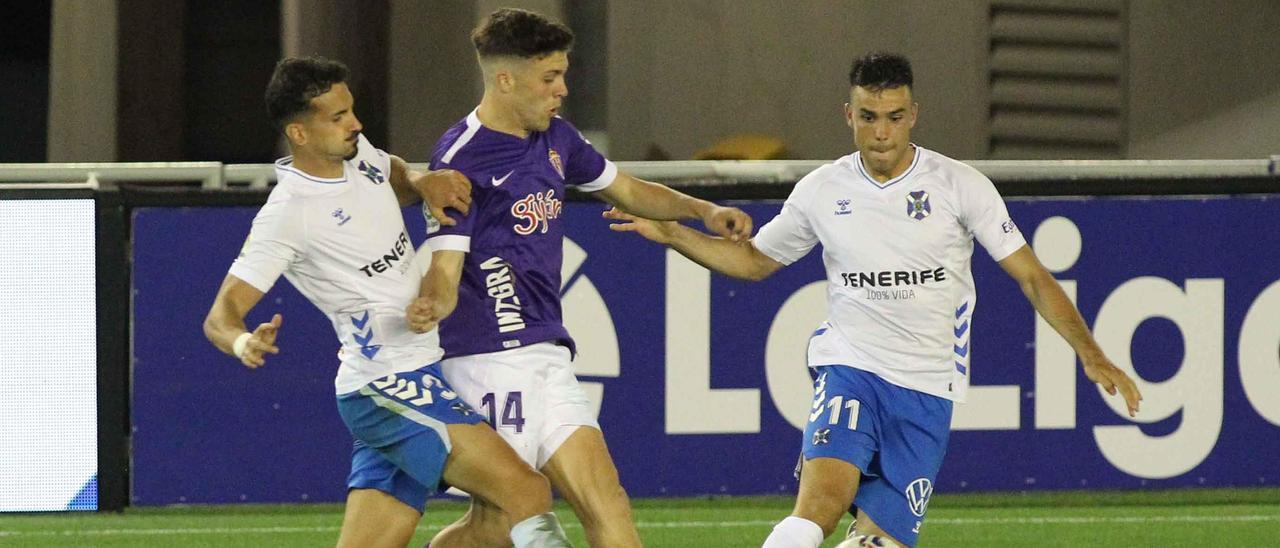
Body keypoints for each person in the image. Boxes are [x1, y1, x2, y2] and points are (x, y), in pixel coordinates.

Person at [604, 52, 1144, 548]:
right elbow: (752, 261)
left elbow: (1033, 277)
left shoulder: (960, 186)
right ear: (849, 115)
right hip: (851, 368)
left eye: (893, 116)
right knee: (817, 507)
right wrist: (674, 234)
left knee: (875, 543)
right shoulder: (822, 190)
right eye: (868, 116)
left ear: (914, 114)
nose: (881, 131)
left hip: (929, 387)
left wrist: (1091, 353)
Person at [405, 8, 754, 547]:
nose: (562, 90)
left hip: (547, 355)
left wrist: (701, 210)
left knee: (606, 499)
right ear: (505, 79)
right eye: (550, 78)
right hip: (487, 360)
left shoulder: (559, 139)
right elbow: (446, 265)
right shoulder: (460, 160)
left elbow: (629, 190)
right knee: (496, 526)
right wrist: (433, 303)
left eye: (563, 75)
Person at [202, 56, 573, 548]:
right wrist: (243, 339)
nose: (354, 124)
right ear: (299, 133)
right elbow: (219, 315)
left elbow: (390, 172)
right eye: (337, 118)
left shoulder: (356, 155)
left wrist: (421, 183)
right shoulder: (289, 214)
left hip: (411, 376)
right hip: (387, 387)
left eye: (351, 111)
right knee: (525, 492)